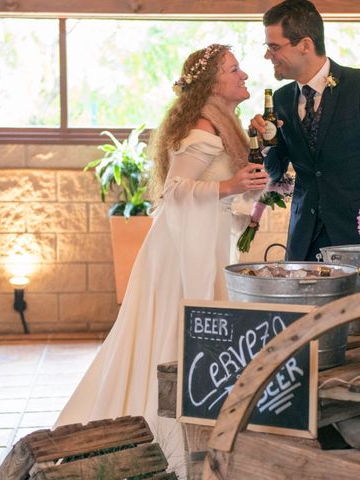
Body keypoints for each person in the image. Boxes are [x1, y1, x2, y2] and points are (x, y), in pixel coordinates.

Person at [54, 44, 268, 473]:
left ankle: (202, 428)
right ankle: (166, 437)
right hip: (177, 255)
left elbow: (222, 190)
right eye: (234, 69)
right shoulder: (203, 127)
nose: (244, 74)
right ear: (212, 85)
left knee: (194, 335)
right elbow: (175, 191)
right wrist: (231, 187)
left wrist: (252, 194)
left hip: (202, 245)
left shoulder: (224, 124)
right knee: (172, 334)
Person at [252, 0, 360, 261]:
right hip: (304, 238)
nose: (267, 56)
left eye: (274, 47)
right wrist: (264, 143)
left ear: (305, 44)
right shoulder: (280, 100)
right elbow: (275, 172)